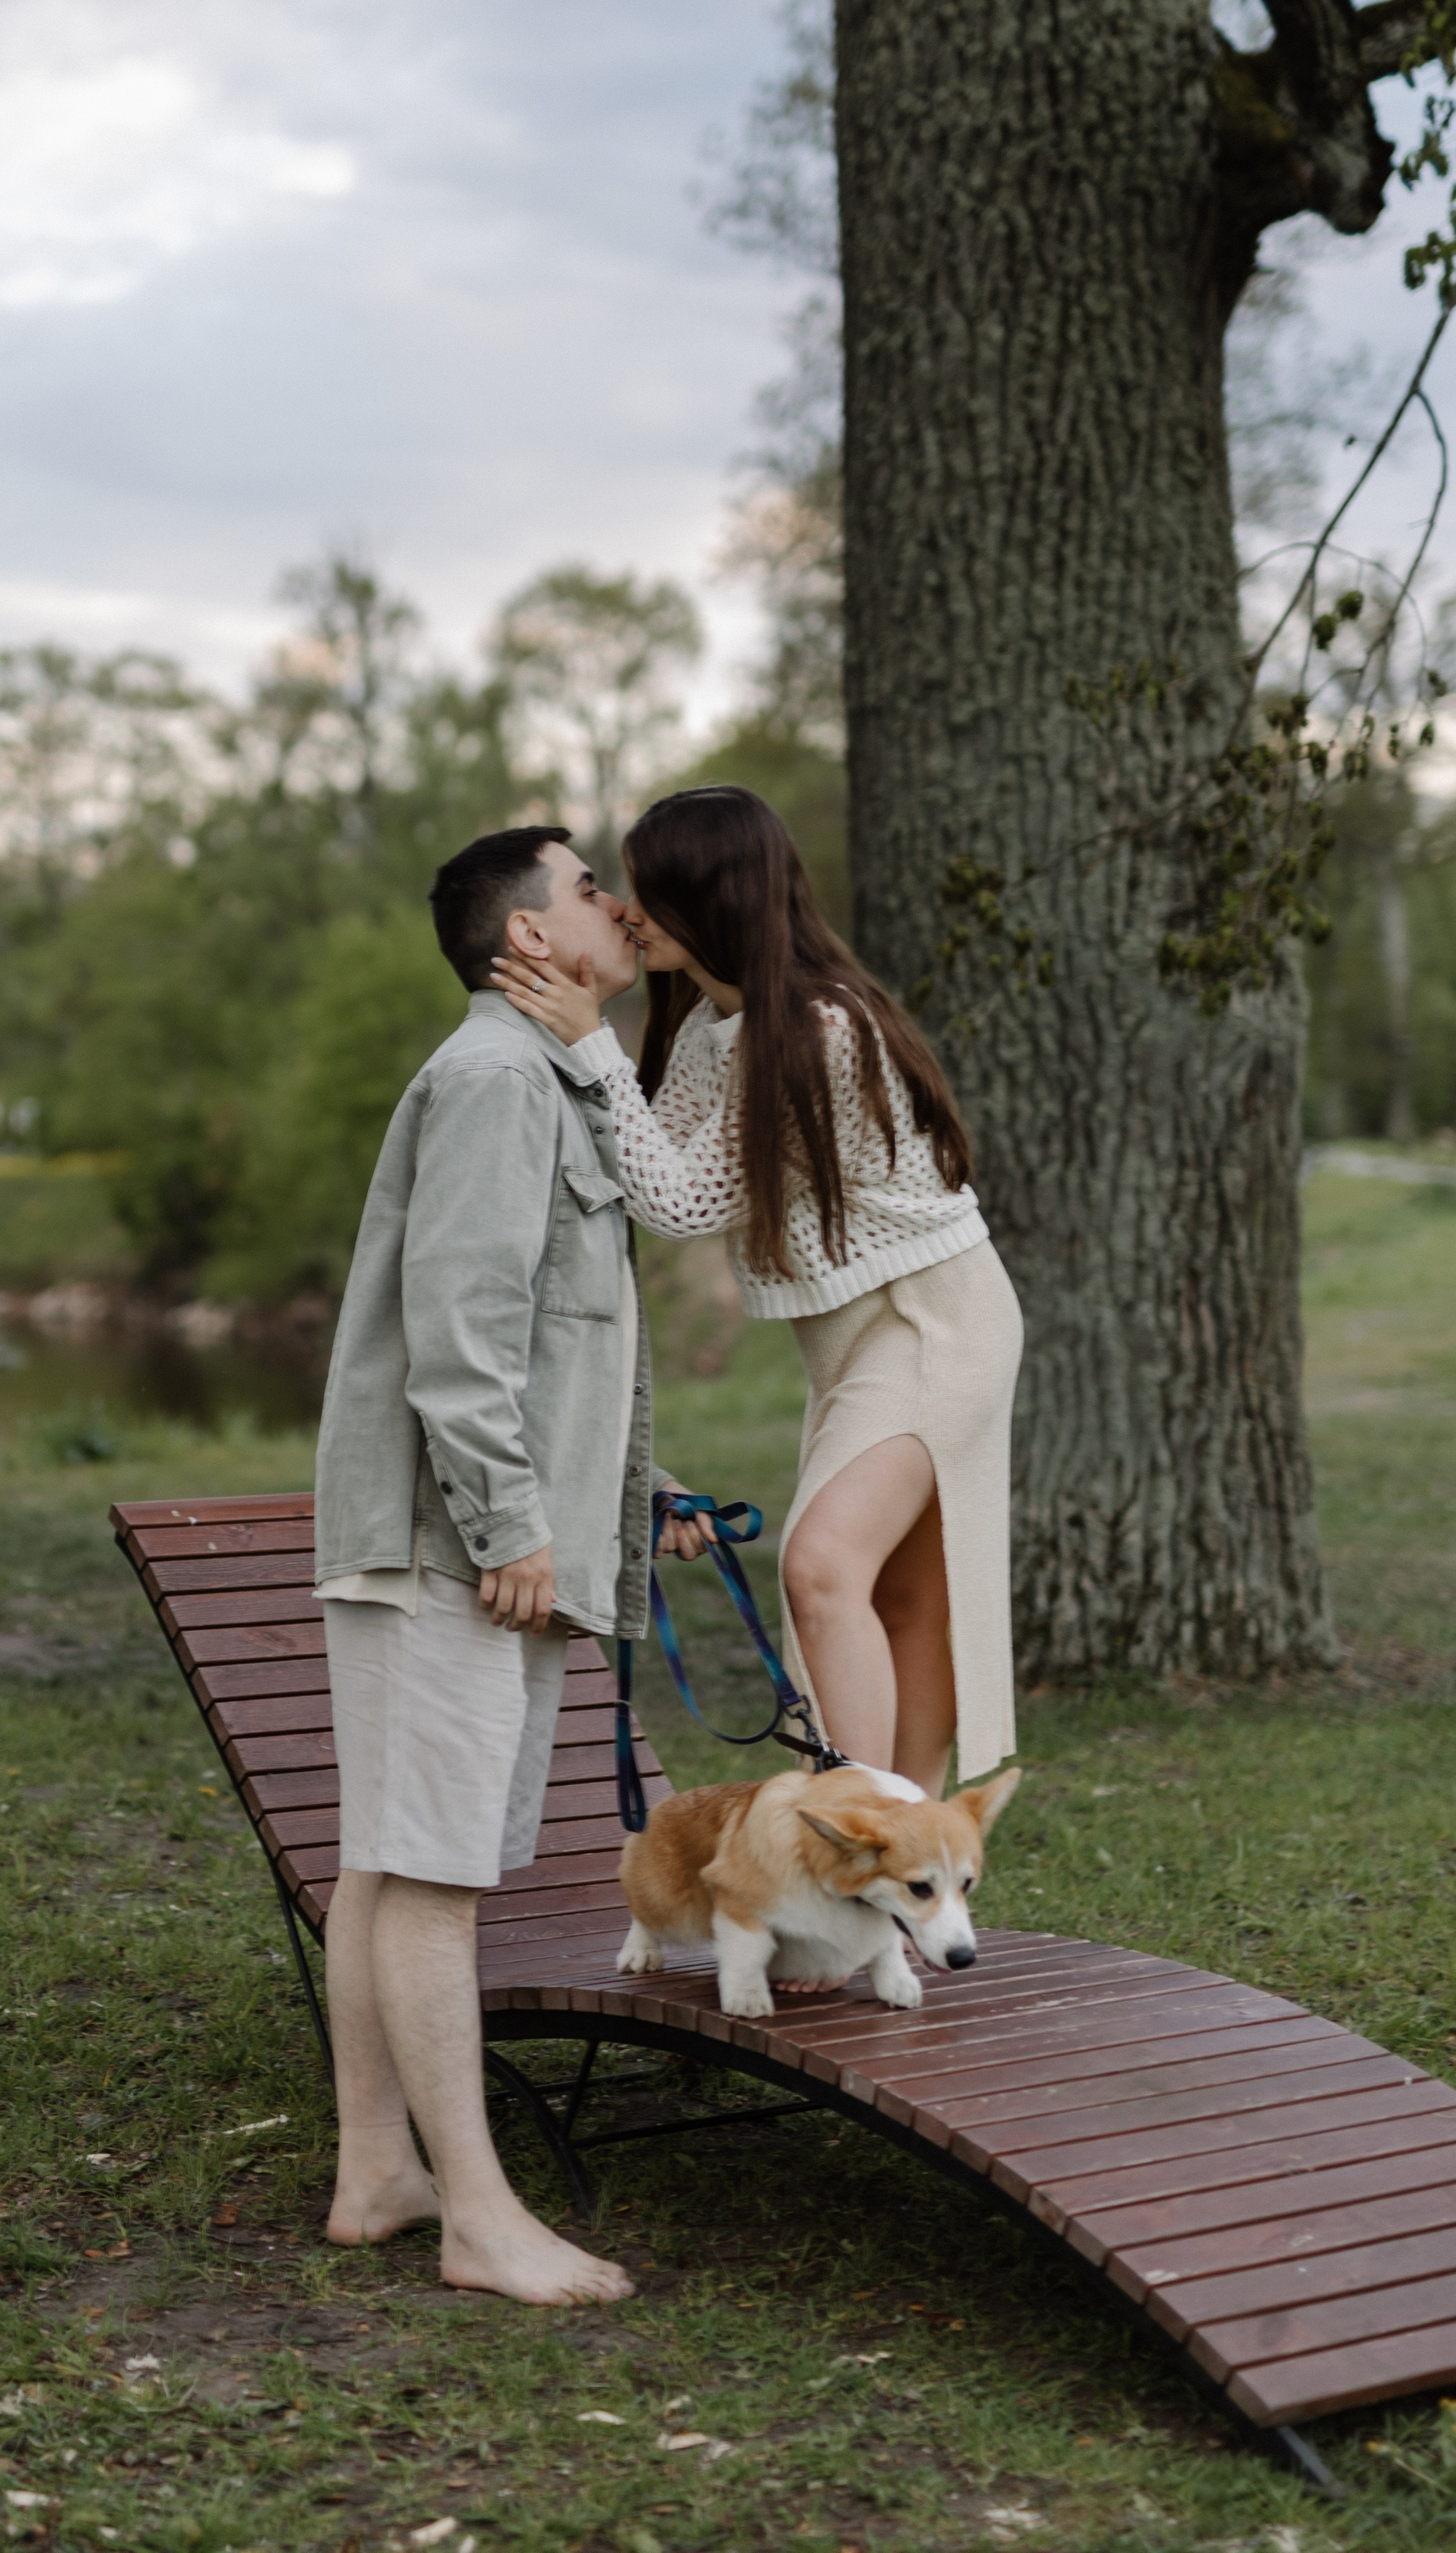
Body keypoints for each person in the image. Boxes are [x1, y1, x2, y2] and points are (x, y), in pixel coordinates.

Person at [313, 823, 704, 2300]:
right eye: (588, 887)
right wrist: (511, 1523)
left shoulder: (533, 1077)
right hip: (448, 1545)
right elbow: (460, 1322)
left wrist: (621, 1482)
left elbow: (541, 1334)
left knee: (389, 1858)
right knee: (434, 1873)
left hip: (458, 1527)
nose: (615, 904)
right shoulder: (493, 1079)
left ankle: (379, 2171)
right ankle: (479, 2217)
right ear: (530, 938)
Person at [493, 783, 1021, 1806]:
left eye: (644, 891)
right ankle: (921, 1879)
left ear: (711, 900)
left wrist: (589, 1041)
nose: (626, 914)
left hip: (935, 1326)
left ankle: (861, 1852)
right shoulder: (711, 1033)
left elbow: (686, 1203)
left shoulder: (817, 1032)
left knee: (822, 1569)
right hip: (862, 1344)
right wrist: (582, 1043)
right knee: (904, 1599)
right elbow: (651, 1168)